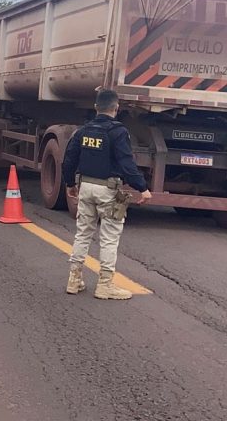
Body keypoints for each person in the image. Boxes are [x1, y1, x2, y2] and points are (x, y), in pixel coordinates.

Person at [62, 89, 151, 300]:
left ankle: (74, 280)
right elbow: (127, 163)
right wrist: (142, 188)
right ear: (116, 108)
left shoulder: (83, 131)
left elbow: (69, 159)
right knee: (109, 238)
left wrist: (69, 183)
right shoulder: (118, 132)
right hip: (108, 190)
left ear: (95, 108)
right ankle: (105, 285)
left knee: (83, 233)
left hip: (85, 186)